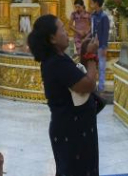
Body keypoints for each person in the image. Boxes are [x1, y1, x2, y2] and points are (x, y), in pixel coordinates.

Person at [28, 14, 100, 176]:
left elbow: (75, 77)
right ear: (52, 38)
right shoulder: (56, 63)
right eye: (62, 29)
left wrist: (84, 53)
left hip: (73, 128)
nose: (67, 32)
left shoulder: (58, 58)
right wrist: (90, 56)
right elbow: (88, 85)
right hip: (71, 131)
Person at [89, 0, 109, 92]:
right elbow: (92, 30)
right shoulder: (92, 16)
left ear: (96, 3)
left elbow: (105, 33)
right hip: (93, 45)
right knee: (92, 66)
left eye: (91, 2)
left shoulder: (104, 17)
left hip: (101, 45)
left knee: (101, 67)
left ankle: (101, 88)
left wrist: (104, 47)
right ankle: (92, 86)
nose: (90, 4)